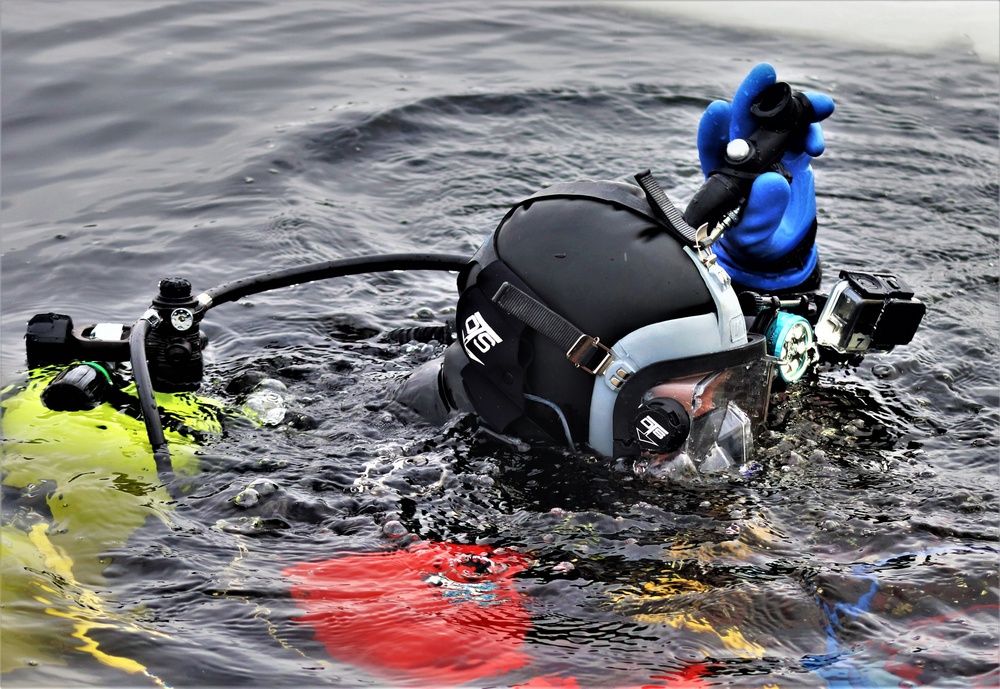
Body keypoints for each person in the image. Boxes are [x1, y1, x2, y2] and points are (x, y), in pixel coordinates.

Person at [394, 62, 839, 479]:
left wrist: (771, 278)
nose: (727, 441)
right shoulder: (445, 532)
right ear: (570, 403)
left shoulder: (634, 439)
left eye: (729, 388)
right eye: (675, 417)